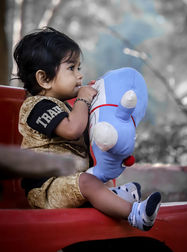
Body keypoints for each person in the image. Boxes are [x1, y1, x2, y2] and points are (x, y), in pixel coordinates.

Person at [13, 27, 161, 231]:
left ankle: (113, 196)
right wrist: (83, 98)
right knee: (88, 181)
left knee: (95, 174)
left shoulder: (67, 108)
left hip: (71, 181)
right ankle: (134, 214)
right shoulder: (36, 106)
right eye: (72, 68)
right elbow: (72, 130)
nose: (80, 76)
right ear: (44, 79)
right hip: (46, 189)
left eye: (79, 68)